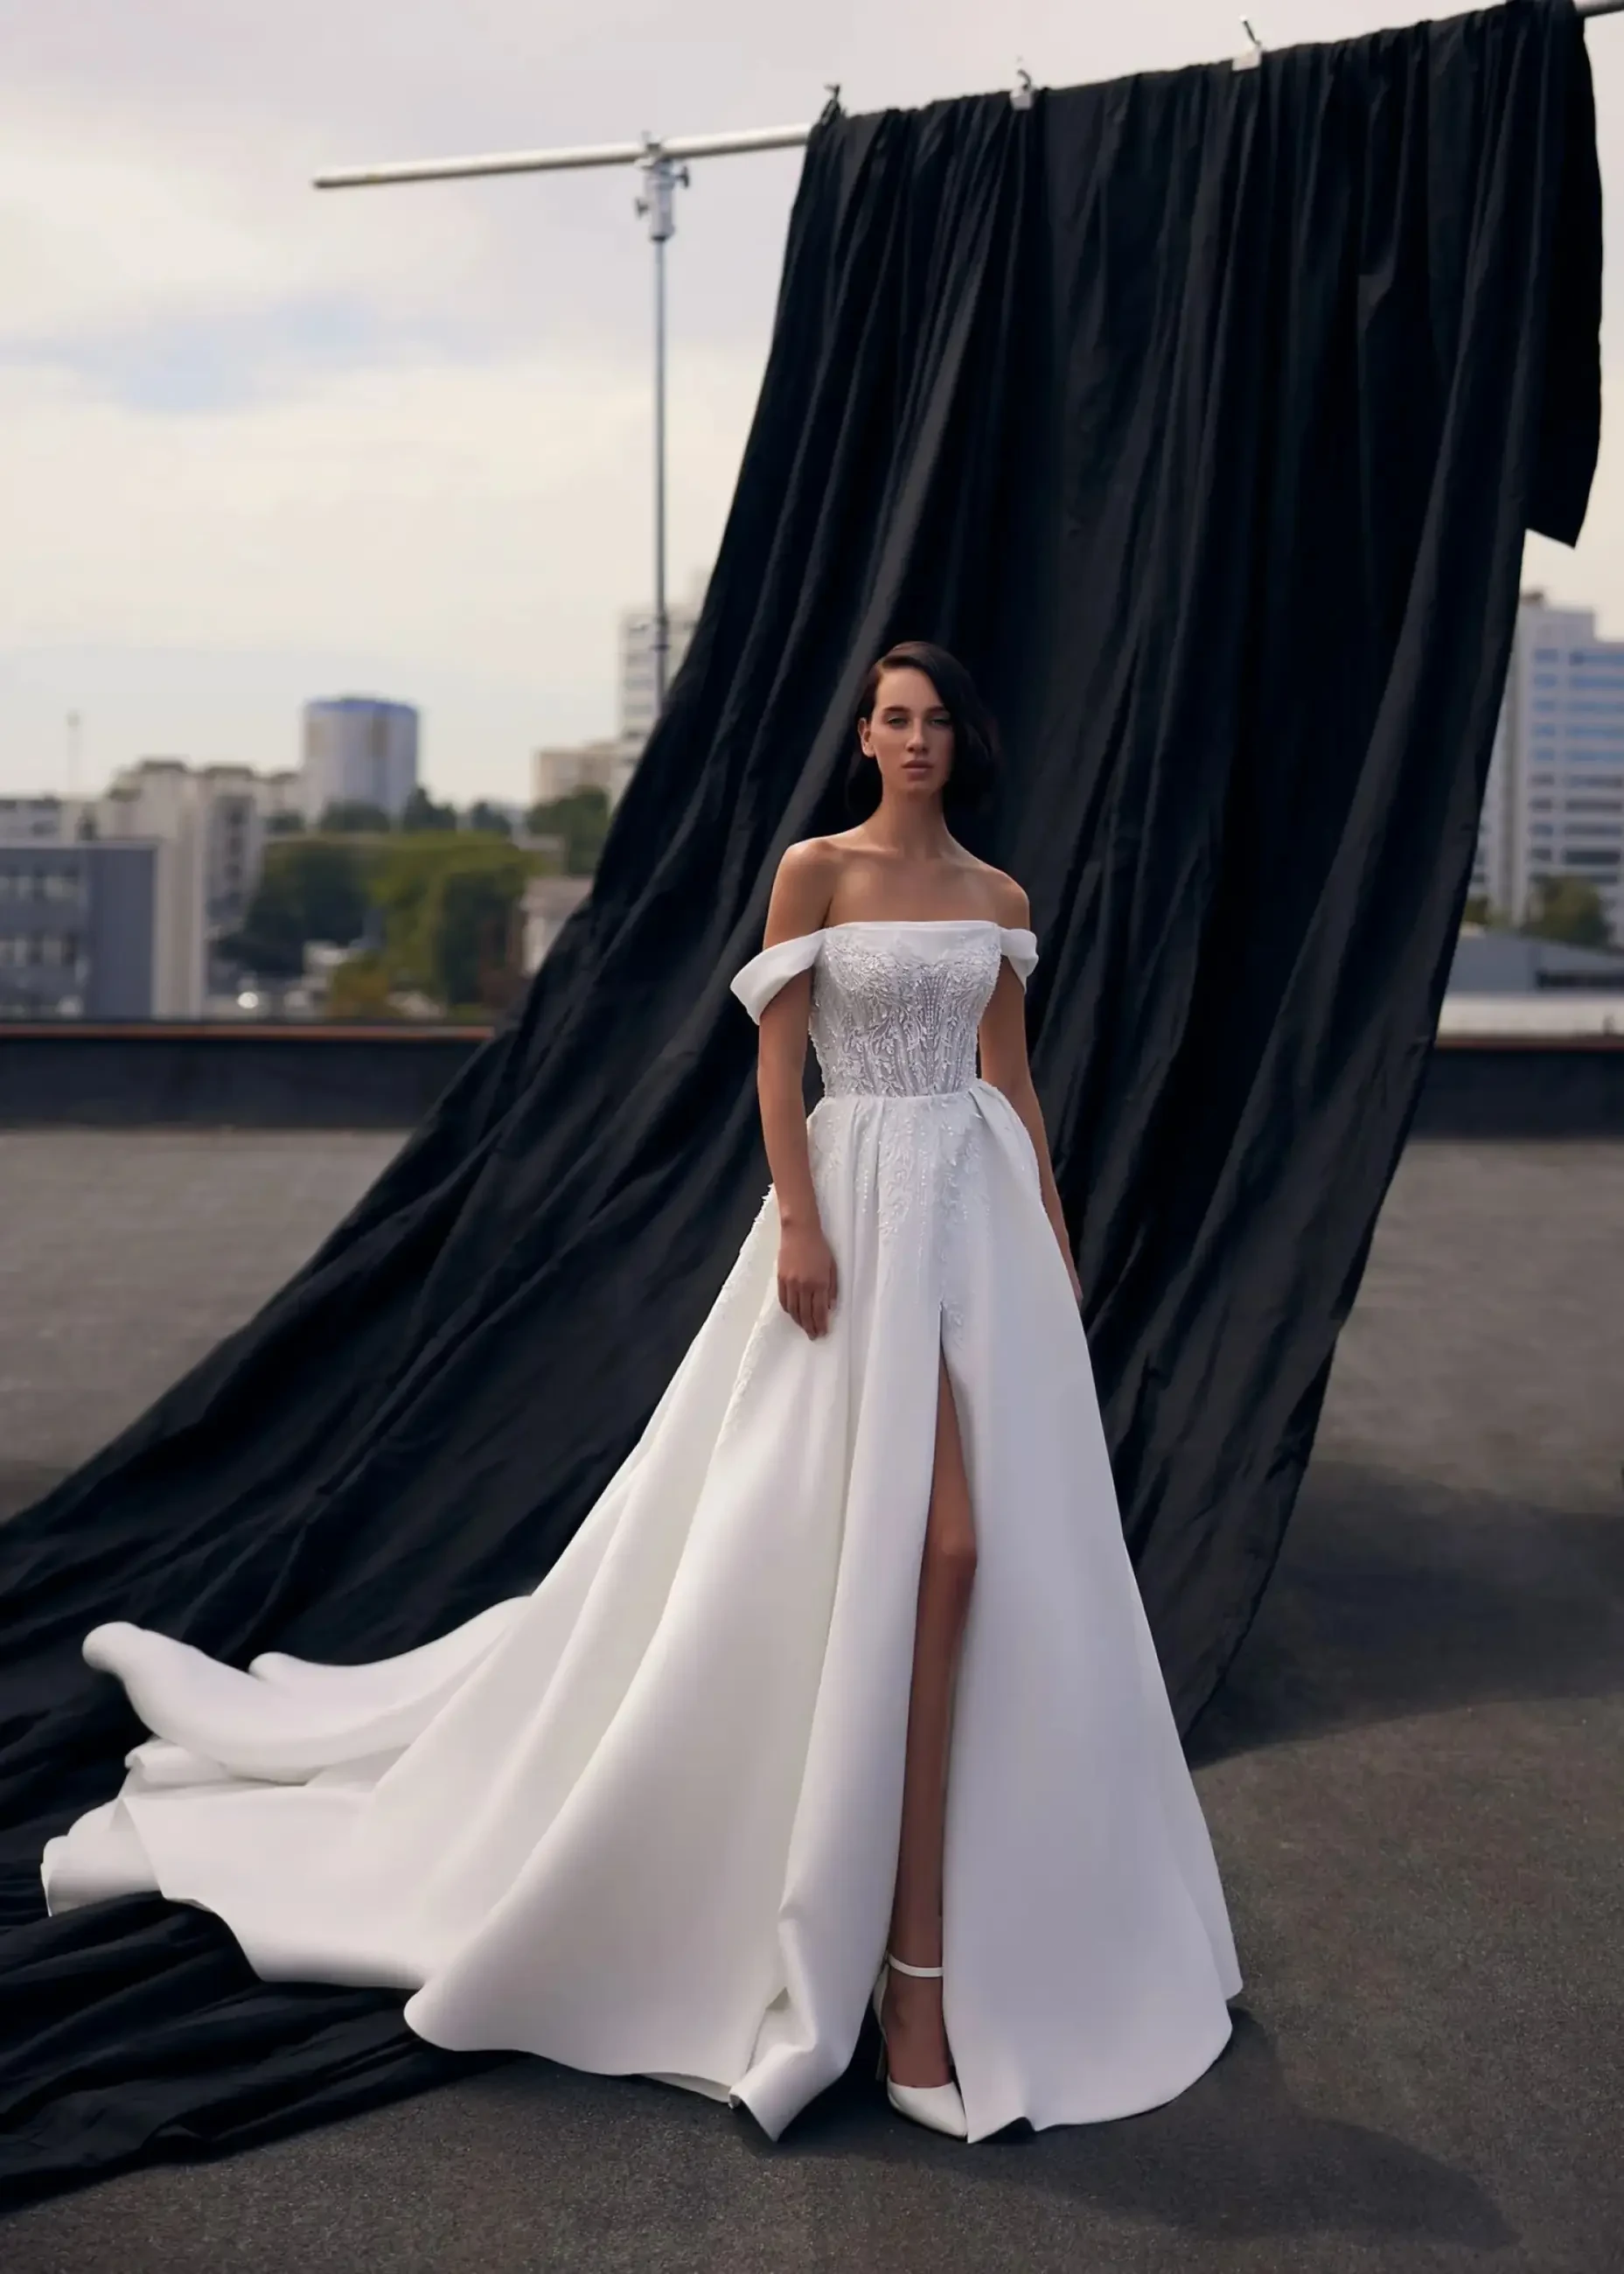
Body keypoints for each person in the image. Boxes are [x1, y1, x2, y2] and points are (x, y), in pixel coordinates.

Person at [42, 641, 1240, 2146]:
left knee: (968, 1554)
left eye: (938, 718)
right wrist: (799, 1222)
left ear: (962, 738)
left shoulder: (997, 897)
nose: (915, 738)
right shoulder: (816, 871)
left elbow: (1011, 1083)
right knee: (902, 1546)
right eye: (893, 717)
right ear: (864, 734)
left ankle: (934, 1951)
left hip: (979, 1216)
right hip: (857, 1205)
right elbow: (778, 1068)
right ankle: (902, 1976)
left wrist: (1053, 1242)